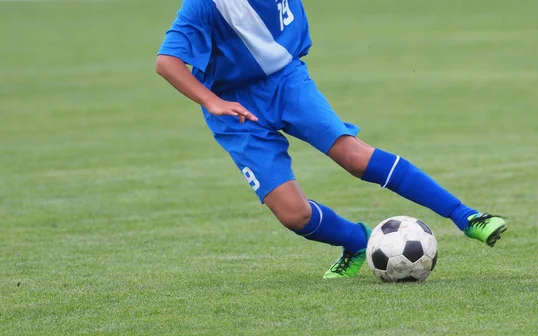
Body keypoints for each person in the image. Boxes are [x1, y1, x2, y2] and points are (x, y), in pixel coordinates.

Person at [156, 0, 507, 279]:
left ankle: (468, 217)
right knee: (293, 215)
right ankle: (356, 243)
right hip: (235, 110)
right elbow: (167, 62)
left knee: (353, 156)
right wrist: (212, 101)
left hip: (286, 82)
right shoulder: (203, 4)